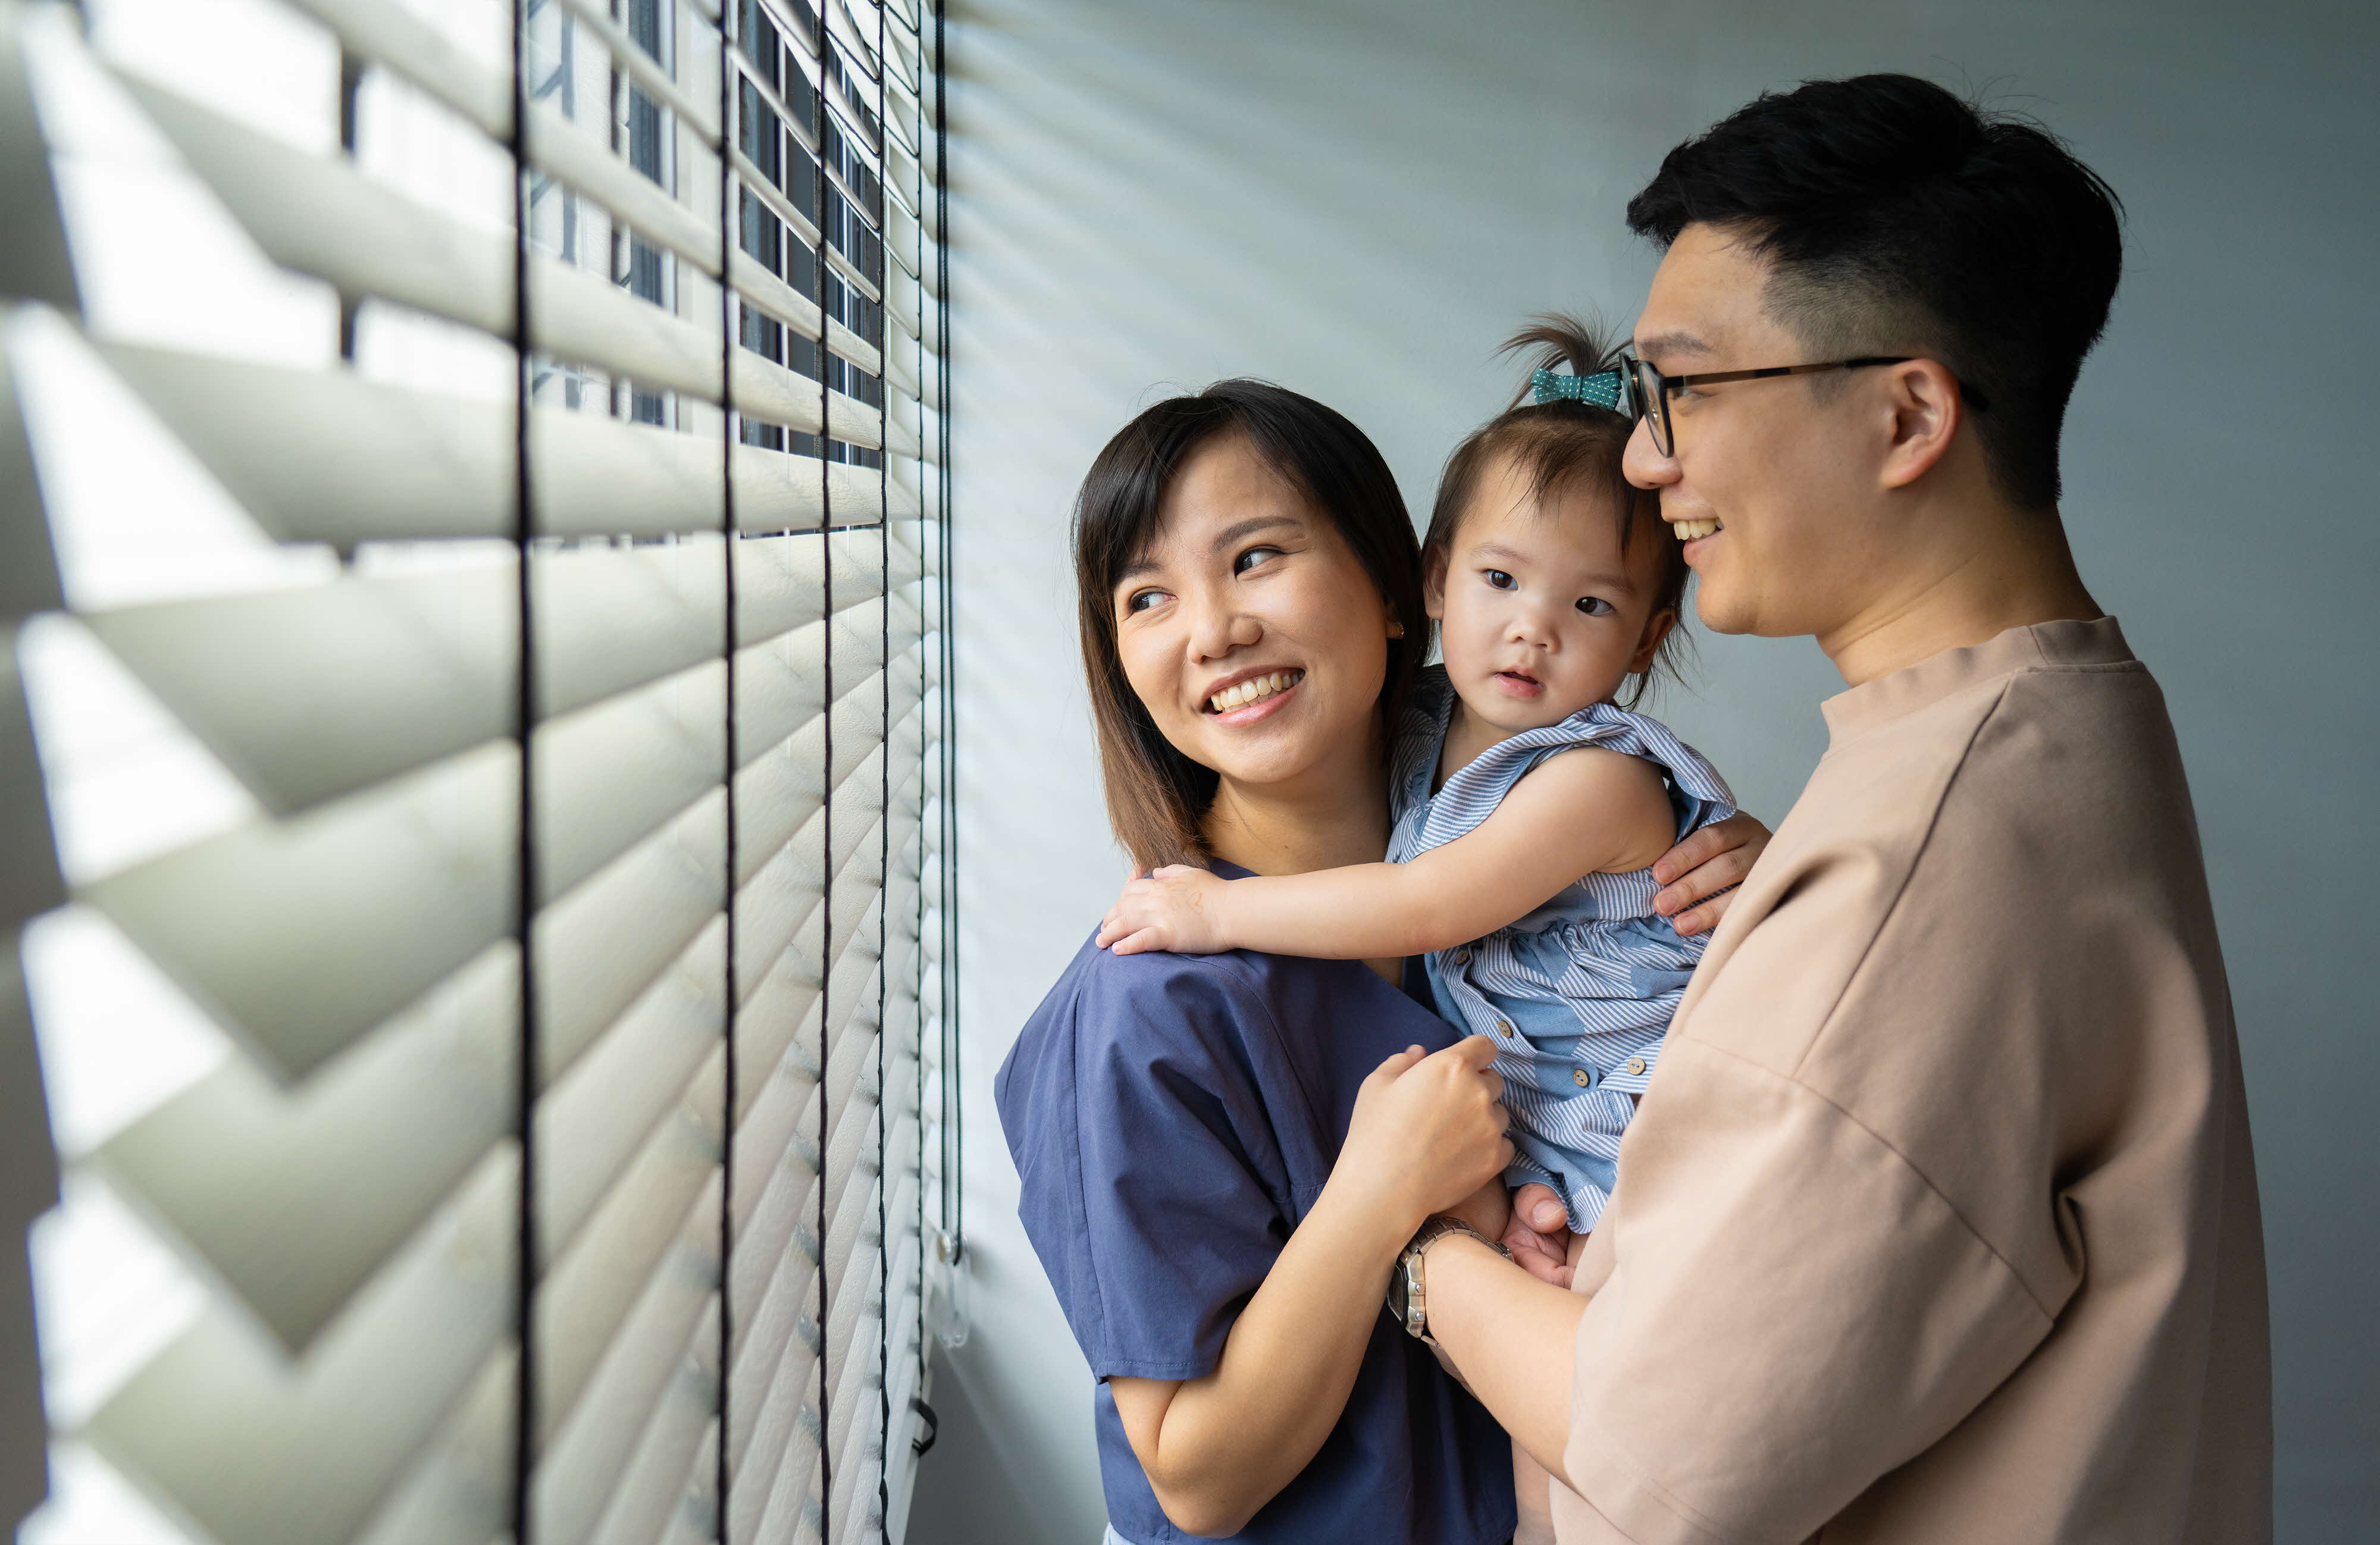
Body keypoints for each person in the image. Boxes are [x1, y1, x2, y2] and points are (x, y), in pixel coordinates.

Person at [1393, 74, 2272, 1544]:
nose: (1641, 455)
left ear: (1905, 414)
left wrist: (1417, 1252)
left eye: (1683, 388)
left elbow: (1663, 1466)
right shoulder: (2057, 723)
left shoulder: (1930, 858)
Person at [992, 381, 1771, 1544]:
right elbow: (1194, 1482)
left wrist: (1746, 873)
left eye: (1254, 557)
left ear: (1399, 585)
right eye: (1146, 596)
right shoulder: (1145, 1009)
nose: (1210, 631)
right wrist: (1376, 1196)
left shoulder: (1519, 868)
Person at [1094, 318, 1737, 1294]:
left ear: (1647, 641)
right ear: (1436, 578)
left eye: (1591, 607)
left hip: (1644, 1122)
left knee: (1598, 1396)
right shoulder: (1420, 722)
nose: (1532, 629)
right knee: (1552, 1404)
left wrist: (1215, 909)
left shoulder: (1596, 777)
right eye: (1500, 579)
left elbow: (1430, 901)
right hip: (1549, 1142)